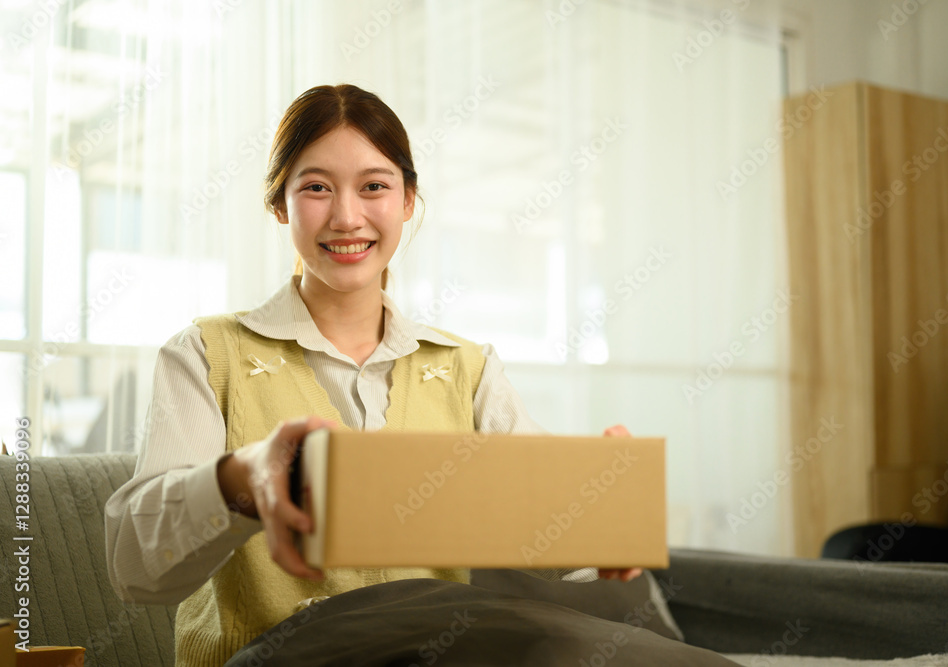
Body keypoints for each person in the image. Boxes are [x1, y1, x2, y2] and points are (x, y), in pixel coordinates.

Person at [104, 84, 641, 666]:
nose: (346, 216)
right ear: (280, 206)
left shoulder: (466, 368)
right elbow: (136, 570)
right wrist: (241, 480)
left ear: (408, 200)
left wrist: (606, 511)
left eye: (374, 186)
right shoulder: (207, 356)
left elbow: (543, 516)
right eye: (316, 188)